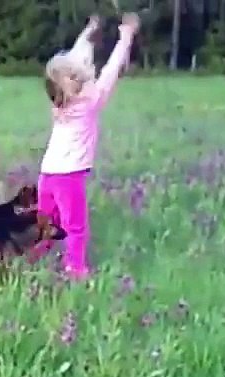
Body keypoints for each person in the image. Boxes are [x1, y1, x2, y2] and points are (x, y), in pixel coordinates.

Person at [36, 12, 140, 280]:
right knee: (75, 227)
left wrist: (88, 33)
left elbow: (72, 59)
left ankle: (32, 259)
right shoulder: (90, 102)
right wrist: (126, 37)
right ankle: (76, 270)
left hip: (47, 174)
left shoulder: (59, 105)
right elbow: (112, 70)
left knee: (44, 224)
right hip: (69, 176)